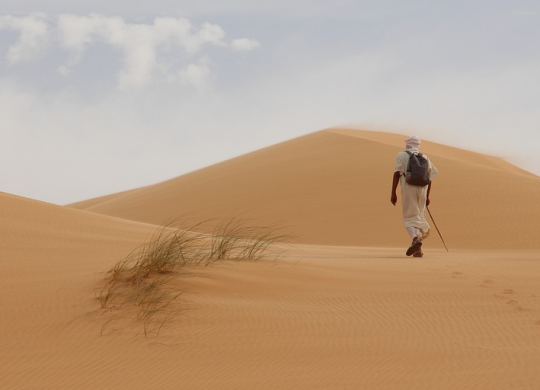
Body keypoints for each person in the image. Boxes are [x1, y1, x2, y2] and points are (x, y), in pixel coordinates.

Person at [390, 136, 438, 257]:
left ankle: (415, 238)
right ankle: (418, 249)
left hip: (408, 189)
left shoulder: (401, 155)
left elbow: (397, 174)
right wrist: (427, 196)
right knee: (418, 216)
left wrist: (393, 193)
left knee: (408, 217)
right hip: (422, 190)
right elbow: (430, 177)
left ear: (407, 144)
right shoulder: (425, 158)